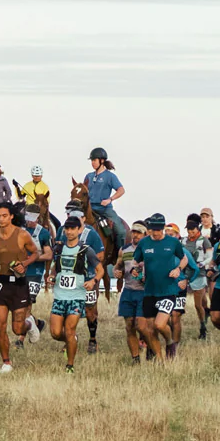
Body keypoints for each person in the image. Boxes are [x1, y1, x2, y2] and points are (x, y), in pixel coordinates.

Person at [0, 201, 42, 373]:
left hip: (18, 285)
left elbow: (35, 253)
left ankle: (30, 324)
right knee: (0, 324)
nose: (1, 219)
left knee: (17, 328)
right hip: (1, 284)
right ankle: (6, 363)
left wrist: (24, 264)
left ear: (11, 216)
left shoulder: (22, 235)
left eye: (4, 216)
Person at [49, 214, 103, 373]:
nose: (70, 232)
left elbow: (99, 270)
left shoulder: (86, 250)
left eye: (73, 228)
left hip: (77, 297)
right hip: (59, 296)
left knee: (70, 329)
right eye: (67, 228)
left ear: (79, 230)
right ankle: (72, 340)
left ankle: (70, 365)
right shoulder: (58, 248)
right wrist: (52, 276)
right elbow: (54, 266)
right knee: (56, 333)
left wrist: (93, 281)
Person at [134, 212, 188, 361]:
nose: (156, 233)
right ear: (149, 229)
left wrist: (178, 270)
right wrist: (136, 270)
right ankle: (159, 359)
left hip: (168, 290)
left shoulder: (173, 242)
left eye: (159, 229)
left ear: (163, 228)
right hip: (150, 291)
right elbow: (136, 262)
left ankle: (170, 342)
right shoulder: (144, 243)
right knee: (150, 329)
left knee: (159, 325)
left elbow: (184, 259)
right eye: (153, 229)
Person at [58, 205, 105, 352]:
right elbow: (58, 250)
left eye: (78, 218)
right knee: (67, 310)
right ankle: (70, 338)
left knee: (90, 311)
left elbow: (101, 255)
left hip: (88, 277)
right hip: (69, 280)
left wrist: (84, 262)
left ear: (83, 219)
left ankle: (92, 339)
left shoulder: (91, 233)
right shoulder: (62, 230)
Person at [115, 222, 148, 363]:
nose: (135, 235)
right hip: (128, 290)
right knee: (129, 326)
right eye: (133, 232)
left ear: (145, 234)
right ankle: (135, 358)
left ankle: (151, 347)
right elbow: (118, 266)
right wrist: (117, 272)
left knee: (140, 325)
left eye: (139, 232)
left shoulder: (150, 249)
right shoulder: (124, 250)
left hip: (144, 292)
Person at [84, 148, 127, 251]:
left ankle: (119, 255)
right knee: (71, 224)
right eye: (92, 161)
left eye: (94, 160)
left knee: (121, 231)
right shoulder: (88, 176)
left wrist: (110, 199)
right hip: (90, 209)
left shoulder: (110, 176)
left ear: (102, 161)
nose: (92, 163)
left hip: (105, 209)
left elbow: (121, 190)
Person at [184, 214, 213, 340]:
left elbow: (210, 256)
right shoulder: (183, 241)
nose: (191, 233)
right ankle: (205, 314)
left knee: (197, 303)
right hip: (185, 273)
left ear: (198, 229)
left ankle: (202, 327)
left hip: (199, 273)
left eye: (193, 231)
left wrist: (203, 264)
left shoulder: (204, 241)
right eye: (189, 231)